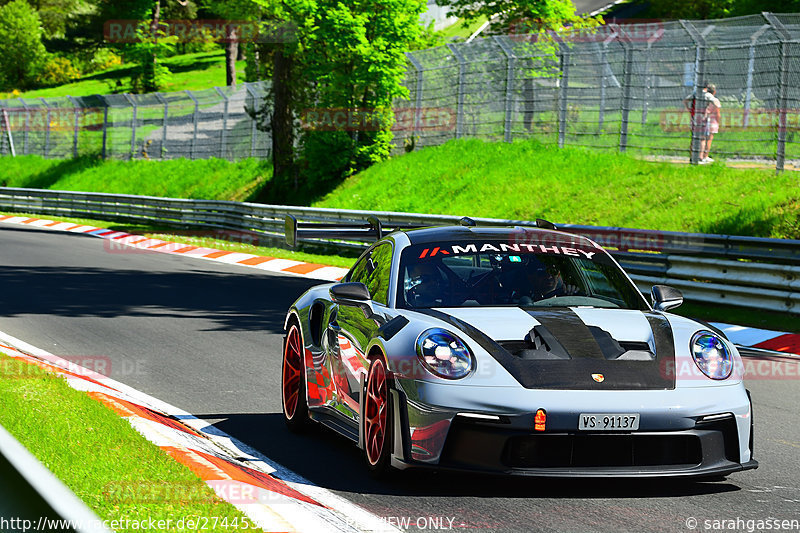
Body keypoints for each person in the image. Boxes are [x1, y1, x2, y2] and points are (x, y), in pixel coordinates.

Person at [699, 84, 721, 164]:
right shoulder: (715, 100)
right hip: (713, 121)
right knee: (709, 139)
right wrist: (718, 121)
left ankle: (701, 155)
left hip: (705, 119)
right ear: (714, 91)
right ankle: (705, 156)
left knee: (703, 138)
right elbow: (718, 113)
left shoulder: (704, 99)